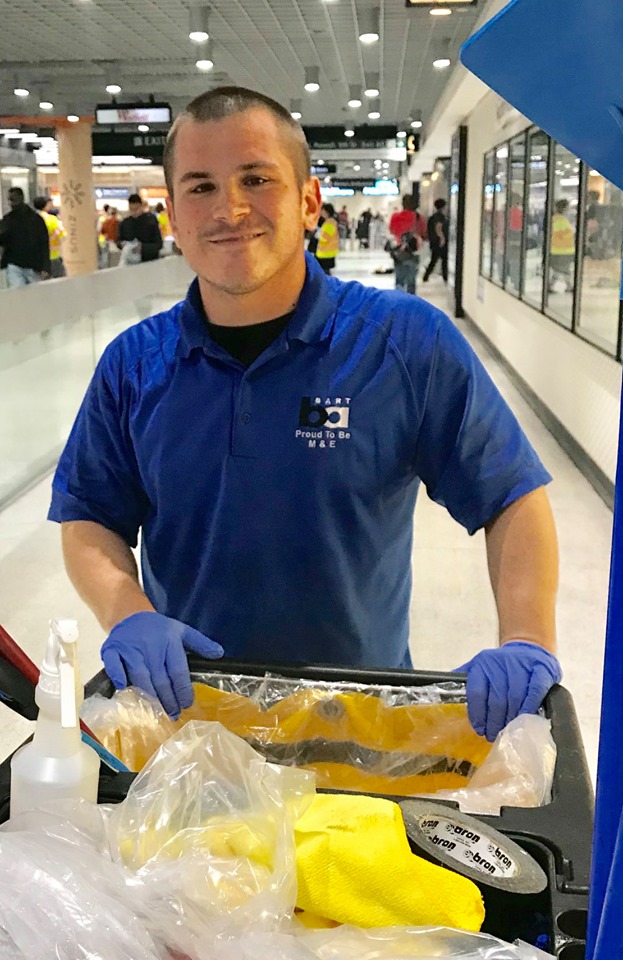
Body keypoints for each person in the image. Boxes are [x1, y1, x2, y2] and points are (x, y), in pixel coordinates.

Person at [49, 85, 561, 745]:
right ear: (173, 215)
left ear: (308, 201)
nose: (229, 209)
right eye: (200, 187)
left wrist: (525, 638)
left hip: (363, 726)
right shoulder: (133, 365)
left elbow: (511, 495)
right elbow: (88, 515)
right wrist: (126, 612)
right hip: (189, 729)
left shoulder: (402, 344)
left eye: (255, 178)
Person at [0, 187, 50, 287]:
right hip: (25, 263)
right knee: (30, 295)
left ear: (21, 198)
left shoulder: (11, 219)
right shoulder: (35, 219)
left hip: (26, 264)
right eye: (10, 199)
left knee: (25, 295)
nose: (11, 203)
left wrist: (46, 266)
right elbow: (3, 242)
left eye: (13, 199)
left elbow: (44, 242)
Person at [388, 195, 427, 294]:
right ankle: (410, 303)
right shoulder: (418, 217)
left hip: (399, 251)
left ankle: (399, 300)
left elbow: (392, 230)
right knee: (411, 281)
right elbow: (423, 233)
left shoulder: (395, 216)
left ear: (403, 204)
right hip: (413, 251)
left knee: (399, 279)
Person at [117, 194, 163, 264]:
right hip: (130, 263)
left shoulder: (150, 220)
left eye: (136, 209)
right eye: (131, 209)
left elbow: (159, 244)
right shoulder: (124, 224)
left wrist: (142, 248)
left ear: (141, 206)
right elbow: (118, 240)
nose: (134, 212)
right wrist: (122, 245)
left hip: (149, 262)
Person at [34, 196, 67, 278]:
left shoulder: (31, 219)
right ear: (46, 205)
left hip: (36, 258)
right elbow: (63, 236)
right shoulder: (51, 219)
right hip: (53, 256)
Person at [549, 198, 575, 294]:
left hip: (561, 249)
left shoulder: (559, 219)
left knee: (562, 269)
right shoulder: (559, 220)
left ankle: (566, 285)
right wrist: (572, 232)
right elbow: (560, 234)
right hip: (562, 249)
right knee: (563, 269)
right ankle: (567, 285)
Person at [423, 198, 449, 283]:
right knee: (440, 260)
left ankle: (427, 276)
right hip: (439, 242)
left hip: (434, 241)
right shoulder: (441, 217)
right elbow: (439, 227)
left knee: (435, 260)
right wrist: (442, 238)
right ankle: (443, 277)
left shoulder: (432, 217)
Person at [315, 202, 339, 274]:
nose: (321, 212)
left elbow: (325, 237)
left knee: (325, 273)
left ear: (327, 212)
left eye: (323, 210)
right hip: (326, 252)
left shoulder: (330, 223)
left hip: (326, 253)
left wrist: (318, 234)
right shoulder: (328, 222)